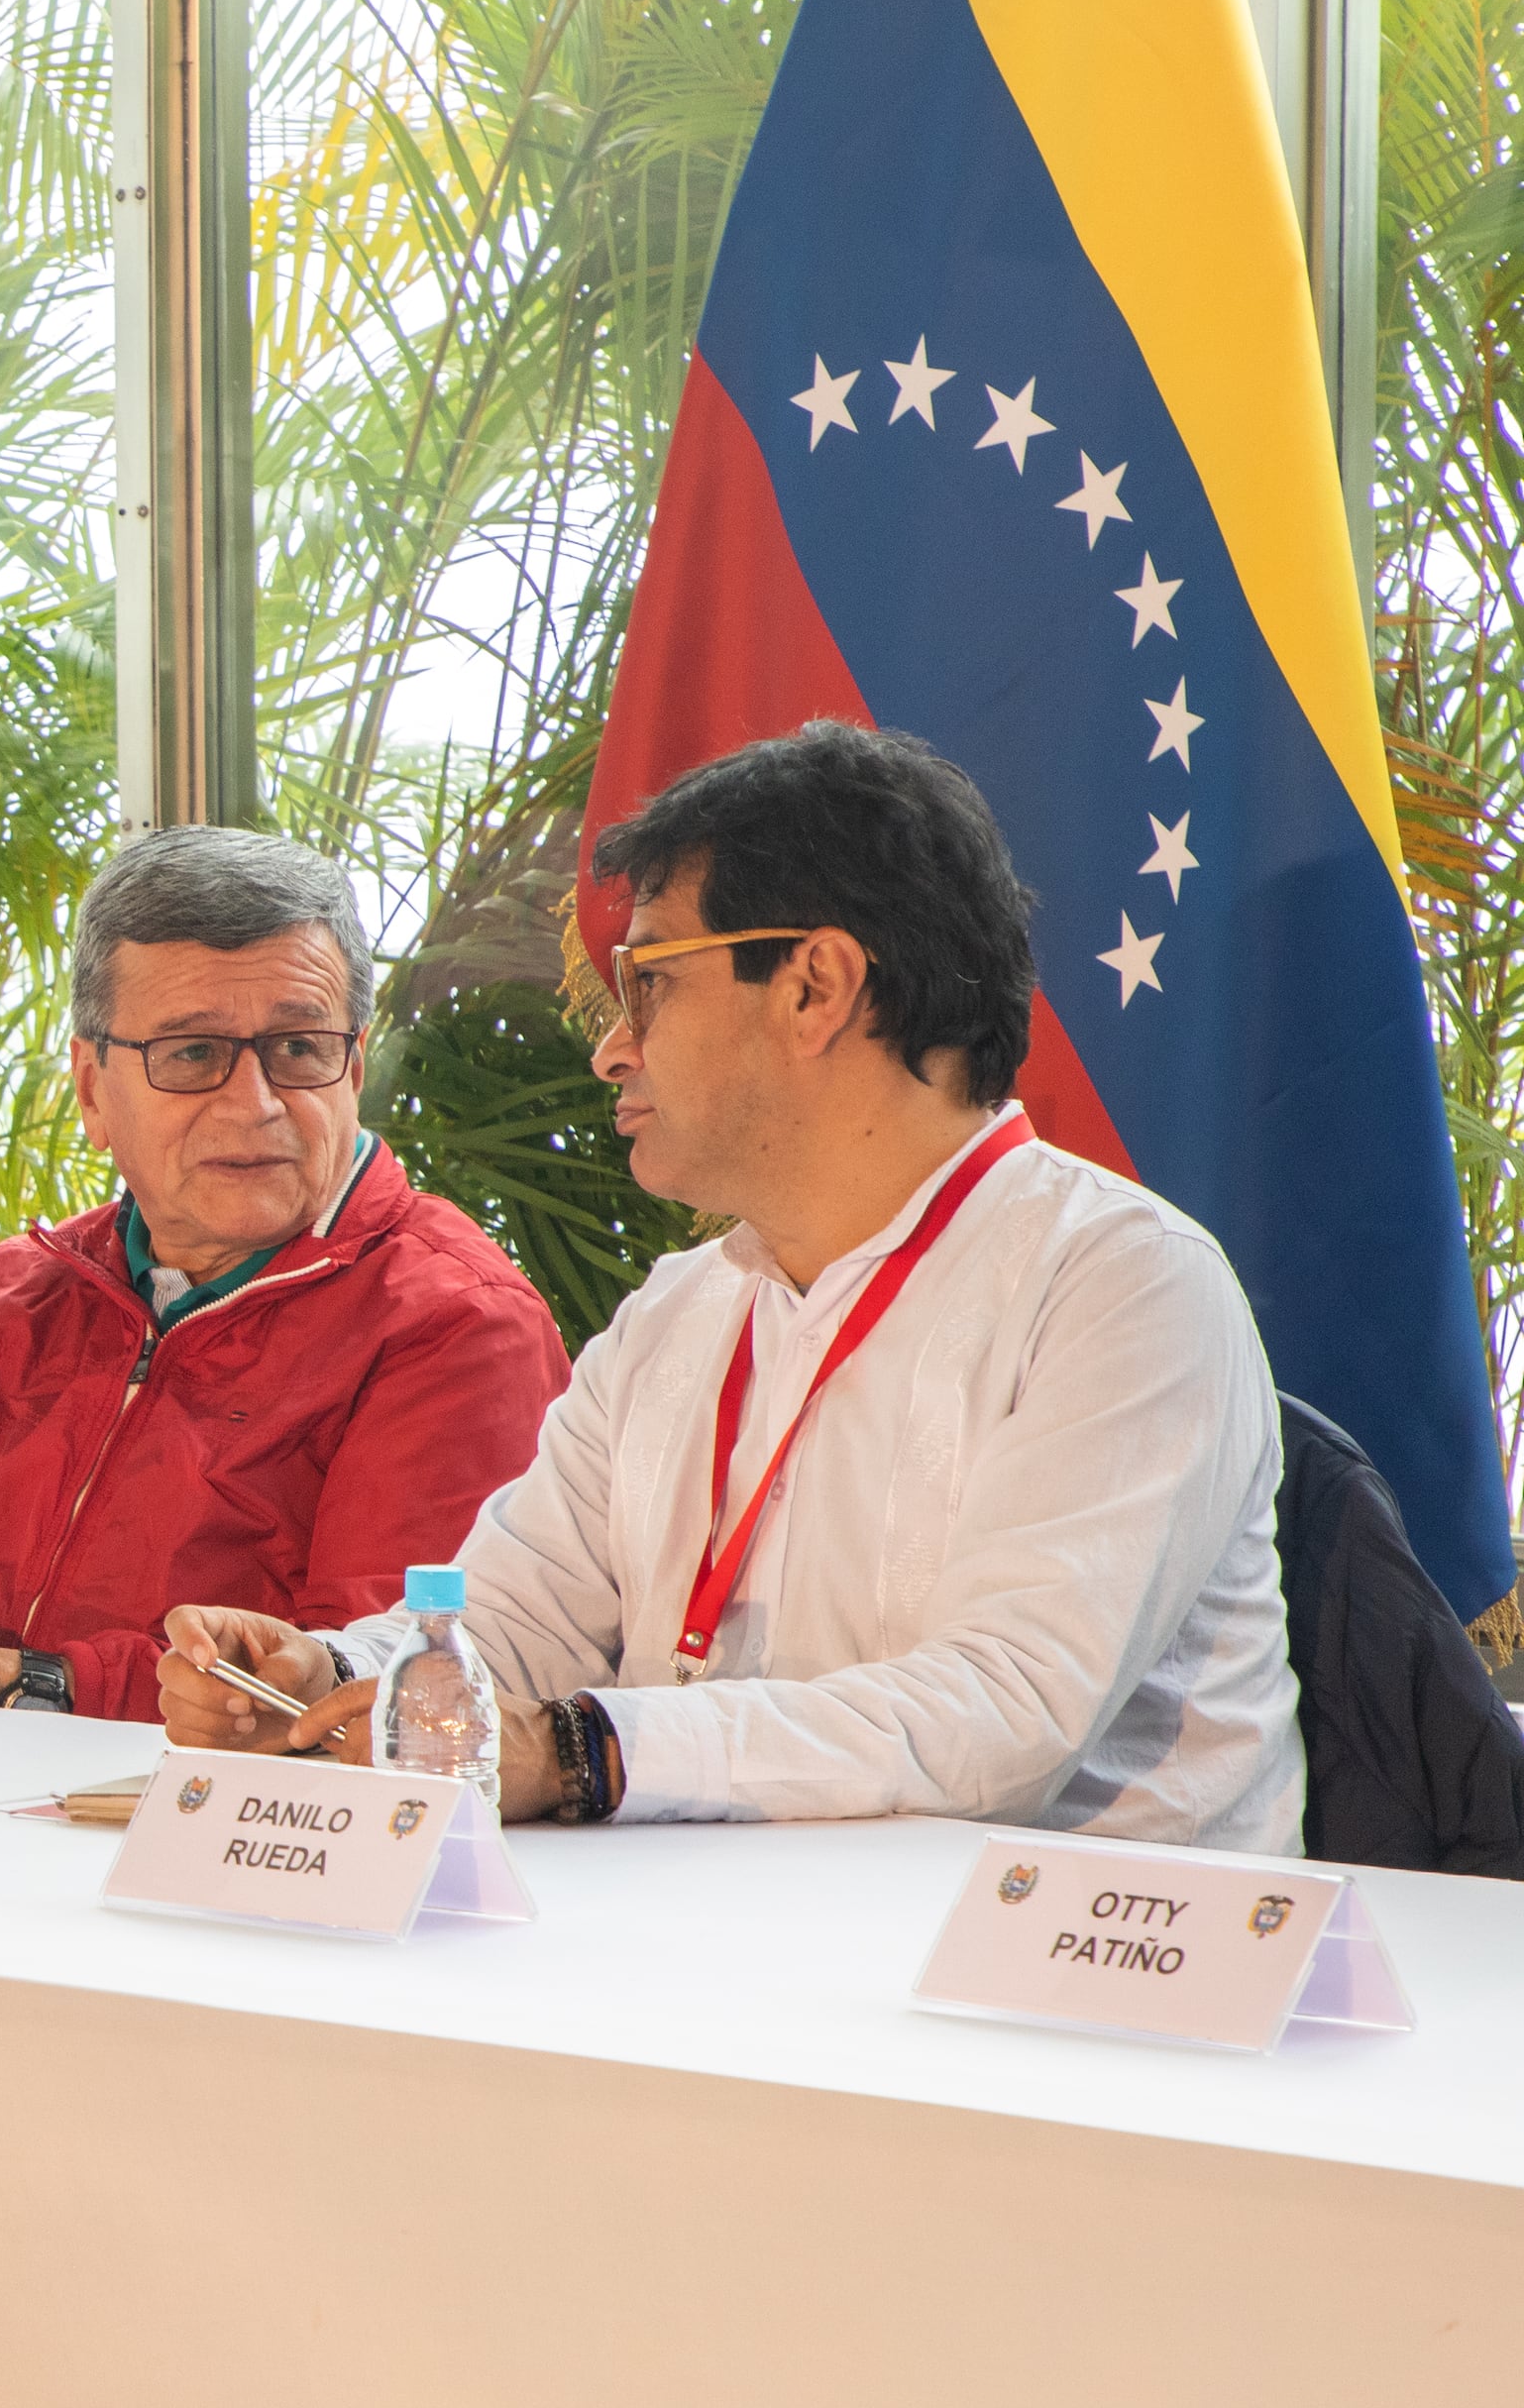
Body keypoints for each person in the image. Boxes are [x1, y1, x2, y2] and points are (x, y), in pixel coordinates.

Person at [158, 719, 1303, 1846]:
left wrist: (585, 1751)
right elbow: (515, 1619)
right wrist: (331, 1671)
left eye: (647, 980)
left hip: (1062, 1987)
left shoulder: (1121, 1286)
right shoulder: (681, 1309)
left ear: (814, 987)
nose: (610, 1046)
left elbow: (1001, 1715)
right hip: (714, 1949)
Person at [0, 828, 567, 1721]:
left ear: (354, 1067)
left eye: (298, 1048)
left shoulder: (457, 1323)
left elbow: (367, 1686)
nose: (253, 1104)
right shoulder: (17, 1299)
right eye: (191, 1054)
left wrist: (12, 1677)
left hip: (236, 1833)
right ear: (92, 1089)